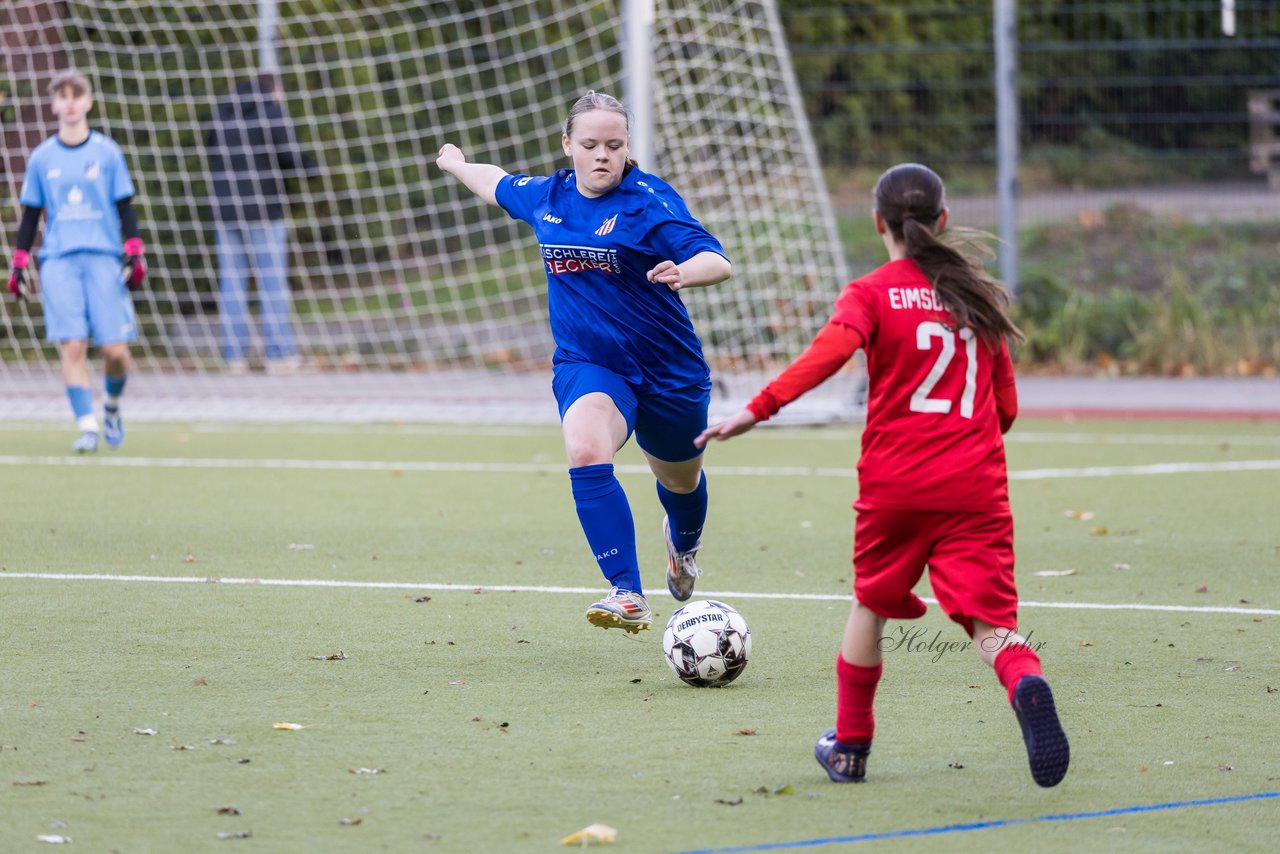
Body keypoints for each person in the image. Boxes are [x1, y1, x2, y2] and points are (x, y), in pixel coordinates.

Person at [696, 163, 1069, 788]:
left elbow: (827, 357)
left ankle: (850, 748)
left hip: (896, 484)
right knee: (991, 625)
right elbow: (1005, 411)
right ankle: (1026, 682)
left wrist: (754, 411)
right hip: (975, 487)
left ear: (879, 223)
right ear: (943, 220)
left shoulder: (872, 292)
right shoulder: (979, 297)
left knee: (870, 604)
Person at [435, 91, 732, 633]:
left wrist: (686, 272)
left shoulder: (649, 201)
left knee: (682, 483)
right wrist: (456, 164)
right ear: (568, 144)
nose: (602, 155)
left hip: (669, 371)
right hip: (590, 363)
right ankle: (626, 591)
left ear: (627, 149)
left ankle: (683, 546)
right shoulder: (548, 196)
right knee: (585, 447)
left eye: (614, 146)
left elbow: (716, 258)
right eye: (591, 144)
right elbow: (494, 181)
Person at [7, 69, 147, 454]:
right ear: (53, 105)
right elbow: (32, 215)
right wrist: (19, 262)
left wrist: (134, 248)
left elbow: (125, 207)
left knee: (116, 350)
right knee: (73, 347)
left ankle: (113, 407)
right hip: (59, 261)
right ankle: (87, 427)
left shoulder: (107, 153)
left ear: (88, 102)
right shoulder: (42, 158)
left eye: (76, 95)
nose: (69, 102)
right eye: (62, 96)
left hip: (102, 257)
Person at [205, 73, 316, 374]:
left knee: (232, 284)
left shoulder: (222, 112)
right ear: (275, 91)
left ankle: (235, 356)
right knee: (272, 282)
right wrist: (312, 168)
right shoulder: (271, 112)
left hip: (225, 210)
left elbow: (211, 151)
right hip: (264, 209)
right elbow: (289, 154)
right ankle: (279, 354)